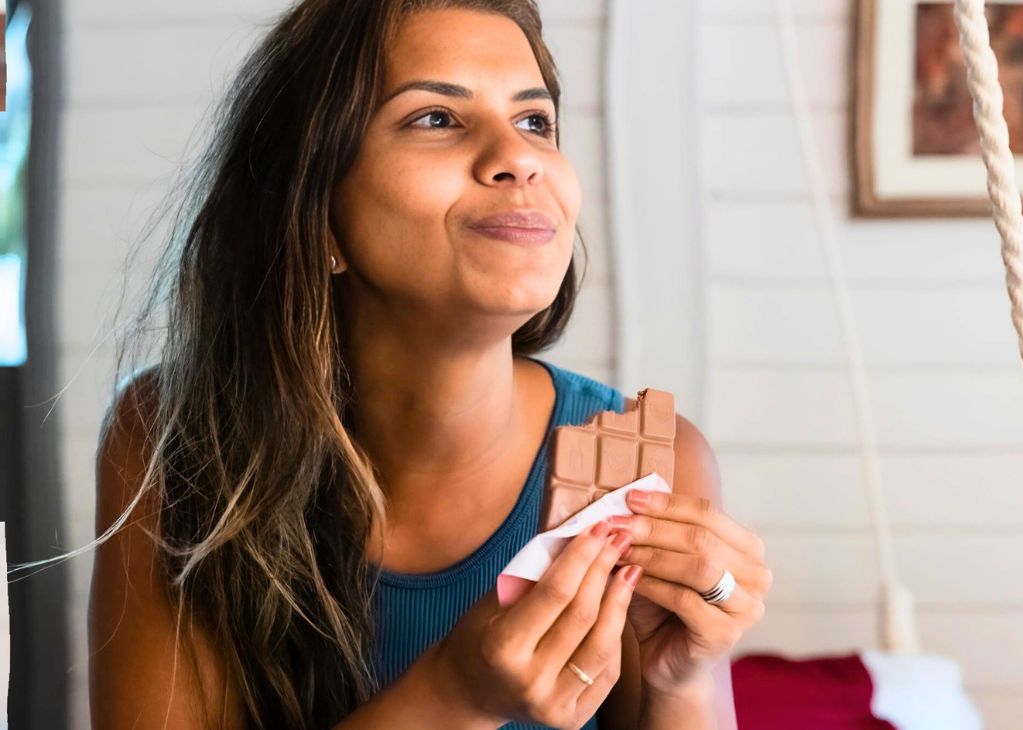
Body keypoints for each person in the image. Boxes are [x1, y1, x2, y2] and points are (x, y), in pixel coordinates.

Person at [87, 1, 771, 728]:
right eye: (437, 118)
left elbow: (678, 684)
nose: (521, 157)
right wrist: (455, 696)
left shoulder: (654, 468)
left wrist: (681, 682)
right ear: (315, 213)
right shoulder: (173, 443)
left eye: (535, 121)